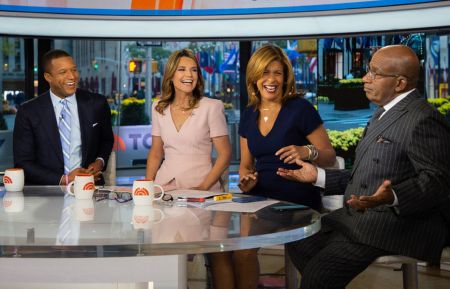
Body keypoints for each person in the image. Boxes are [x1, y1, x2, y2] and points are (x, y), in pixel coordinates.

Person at [277, 45, 450, 289]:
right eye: (368, 71)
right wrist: (317, 176)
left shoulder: (423, 119)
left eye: (374, 74)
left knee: (318, 275)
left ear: (399, 83)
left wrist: (393, 196)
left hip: (395, 224)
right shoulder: (382, 112)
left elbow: (438, 181)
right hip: (358, 217)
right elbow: (365, 175)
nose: (365, 79)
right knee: (297, 237)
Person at [211, 44, 336, 289]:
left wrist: (306, 151)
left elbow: (330, 156)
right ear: (255, 77)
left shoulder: (300, 109)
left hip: (296, 197)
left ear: (286, 77)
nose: (271, 79)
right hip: (260, 197)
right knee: (239, 251)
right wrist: (247, 180)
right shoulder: (249, 114)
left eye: (277, 73)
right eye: (265, 73)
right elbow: (246, 166)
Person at [13, 49, 114, 185]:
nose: (72, 76)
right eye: (63, 72)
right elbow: (23, 162)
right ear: (48, 77)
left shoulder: (97, 104)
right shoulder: (28, 111)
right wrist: (64, 179)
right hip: (46, 194)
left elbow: (106, 140)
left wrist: (99, 162)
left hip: (90, 189)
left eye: (74, 70)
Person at [145, 48, 231, 191]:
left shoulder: (212, 107)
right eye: (182, 69)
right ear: (171, 75)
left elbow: (225, 154)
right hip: (163, 187)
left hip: (201, 187)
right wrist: (147, 186)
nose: (189, 75)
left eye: (194, 70)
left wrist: (203, 188)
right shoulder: (158, 107)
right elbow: (156, 152)